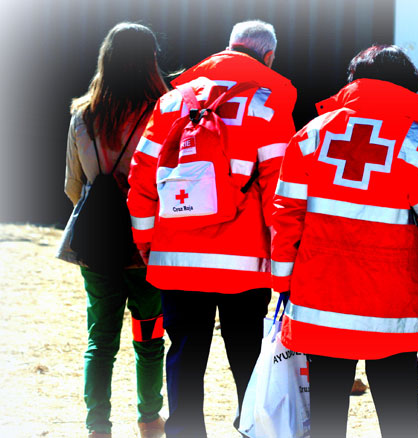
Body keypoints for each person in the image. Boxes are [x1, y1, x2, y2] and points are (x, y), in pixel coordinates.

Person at [271, 45, 418, 438]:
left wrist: (282, 286)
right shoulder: (415, 141)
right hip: (391, 308)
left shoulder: (309, 135)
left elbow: (285, 217)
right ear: (408, 90)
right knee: (400, 422)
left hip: (320, 302)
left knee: (326, 422)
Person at [127, 20, 297, 437]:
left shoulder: (172, 102)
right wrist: (282, 262)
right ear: (268, 57)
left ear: (228, 48)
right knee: (245, 352)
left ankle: (184, 431)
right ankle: (251, 425)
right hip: (245, 263)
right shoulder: (269, 104)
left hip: (177, 257)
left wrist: (147, 242)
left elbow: (142, 179)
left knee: (184, 350)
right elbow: (282, 192)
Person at [57, 22, 169, 438]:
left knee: (100, 339)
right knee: (150, 335)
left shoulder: (82, 115)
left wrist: (103, 218)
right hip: (148, 246)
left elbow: (72, 186)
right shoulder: (165, 110)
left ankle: (97, 427)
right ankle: (150, 419)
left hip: (98, 246)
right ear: (150, 61)